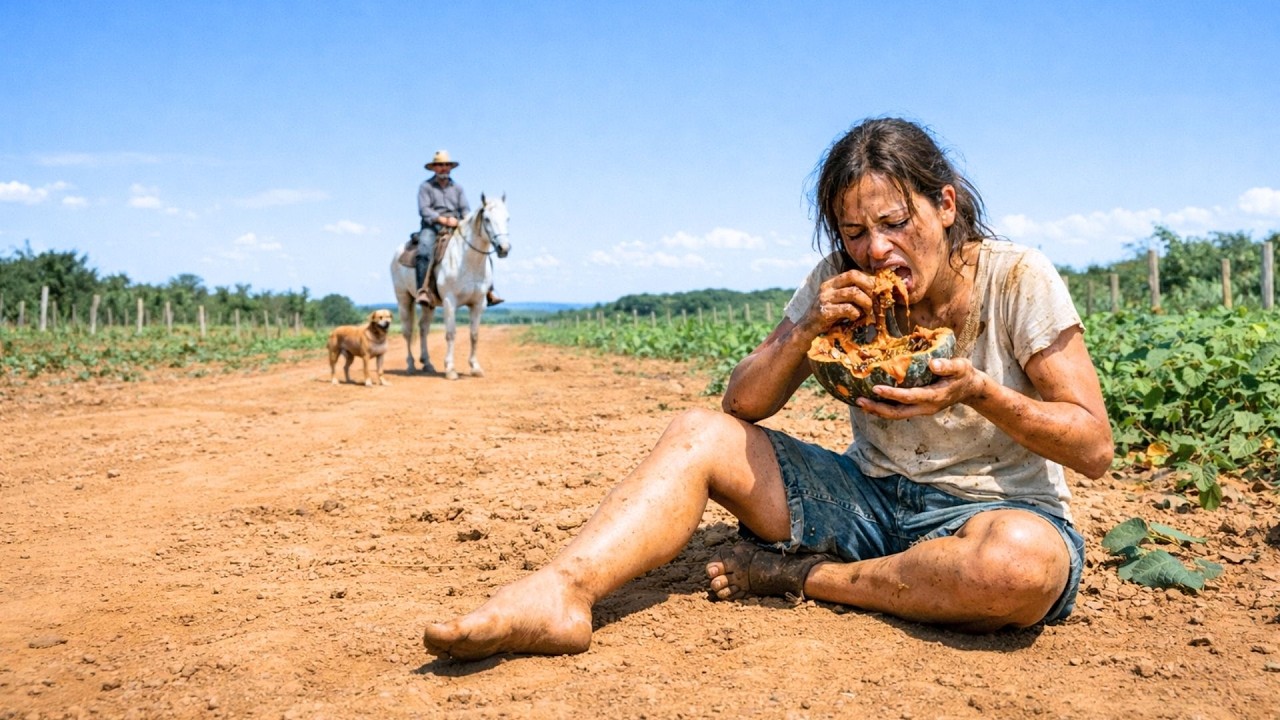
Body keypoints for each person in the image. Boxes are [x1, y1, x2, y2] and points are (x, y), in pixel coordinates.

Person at [421, 117, 1114, 661]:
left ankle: (801, 578)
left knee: (1017, 567)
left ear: (944, 206)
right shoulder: (833, 281)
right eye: (854, 232)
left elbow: (1093, 447)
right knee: (696, 434)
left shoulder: (1017, 278)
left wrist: (979, 393)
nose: (874, 250)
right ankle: (561, 592)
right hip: (869, 501)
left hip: (992, 516)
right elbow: (741, 406)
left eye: (895, 223)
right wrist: (807, 329)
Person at [415, 150, 503, 307]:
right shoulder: (426, 187)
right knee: (423, 250)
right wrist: (441, 218)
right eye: (440, 165)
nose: (444, 168)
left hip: (456, 227)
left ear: (450, 167)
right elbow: (424, 209)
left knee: (482, 248)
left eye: (446, 165)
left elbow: (465, 210)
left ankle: (489, 290)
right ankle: (424, 290)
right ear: (434, 168)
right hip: (432, 227)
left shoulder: (458, 188)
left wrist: (462, 220)